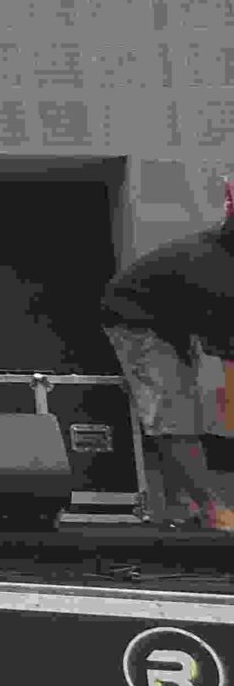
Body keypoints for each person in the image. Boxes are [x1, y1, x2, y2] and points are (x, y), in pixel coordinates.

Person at [101, 177, 234, 529]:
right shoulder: (215, 267)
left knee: (183, 409)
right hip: (136, 320)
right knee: (173, 413)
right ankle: (211, 508)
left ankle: (180, 507)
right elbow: (222, 343)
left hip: (176, 321)